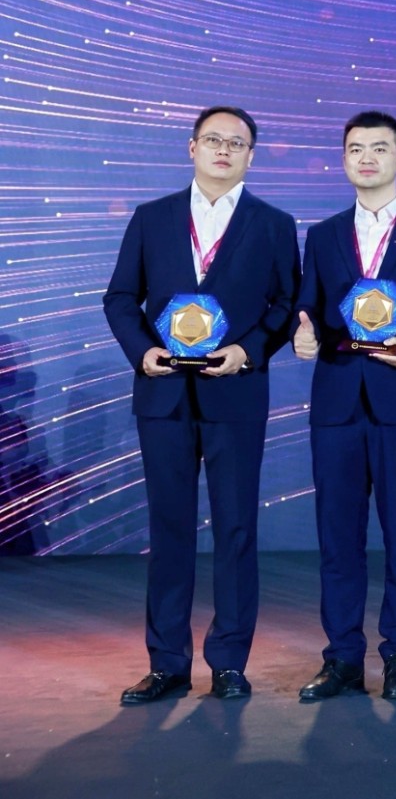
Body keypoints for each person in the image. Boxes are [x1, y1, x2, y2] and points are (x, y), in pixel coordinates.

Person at [103, 106, 298, 704]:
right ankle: (167, 663)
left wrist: (248, 351)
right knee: (169, 529)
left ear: (251, 156)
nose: (223, 150)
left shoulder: (274, 223)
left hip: (235, 393)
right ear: (192, 148)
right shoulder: (152, 217)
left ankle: (230, 662)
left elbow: (285, 305)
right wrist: (143, 352)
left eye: (236, 143)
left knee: (236, 528)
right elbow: (120, 298)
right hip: (164, 394)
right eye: (213, 140)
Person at [291, 111, 396, 702]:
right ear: (343, 160)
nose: (367, 158)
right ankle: (341, 657)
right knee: (337, 538)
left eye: (380, 148)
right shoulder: (323, 234)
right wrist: (302, 334)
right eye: (356, 148)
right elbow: (307, 308)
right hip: (338, 400)